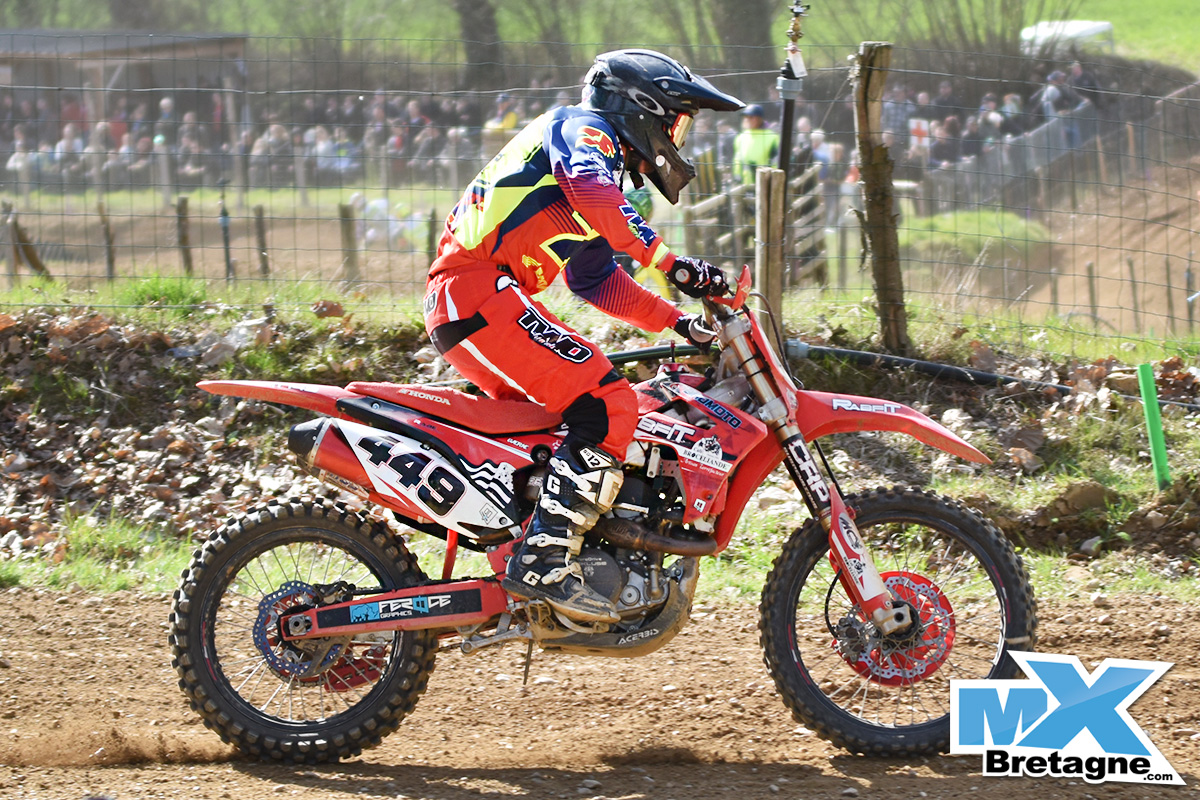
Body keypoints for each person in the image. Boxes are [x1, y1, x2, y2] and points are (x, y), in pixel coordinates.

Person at [424, 49, 743, 623]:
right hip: (476, 292)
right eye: (676, 123)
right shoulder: (582, 129)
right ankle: (544, 562)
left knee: (552, 429)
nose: (676, 140)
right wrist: (672, 264)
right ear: (641, 108)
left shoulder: (593, 171)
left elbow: (596, 280)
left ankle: (526, 552)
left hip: (476, 300)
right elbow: (595, 191)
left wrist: (679, 322)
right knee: (608, 402)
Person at [731, 104, 779, 185]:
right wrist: (737, 178)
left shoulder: (772, 137)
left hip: (765, 184)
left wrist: (773, 181)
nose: (747, 120)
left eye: (751, 117)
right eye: (746, 117)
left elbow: (775, 162)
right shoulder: (741, 137)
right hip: (744, 185)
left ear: (760, 119)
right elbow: (737, 160)